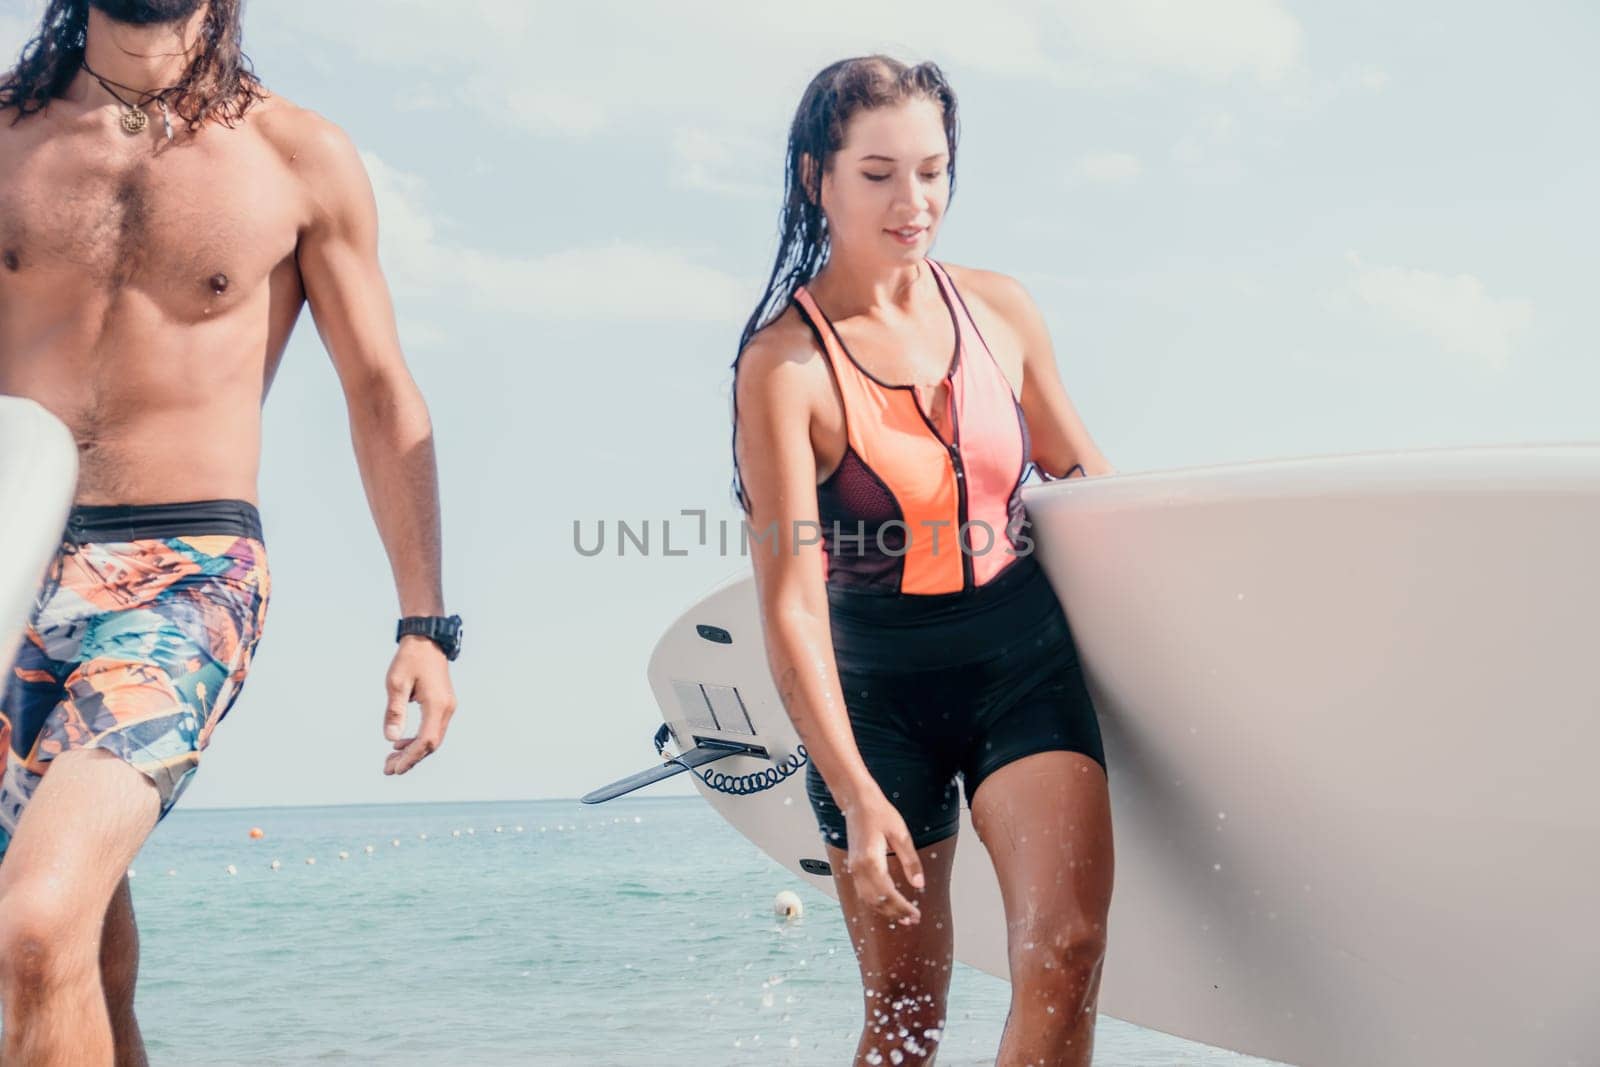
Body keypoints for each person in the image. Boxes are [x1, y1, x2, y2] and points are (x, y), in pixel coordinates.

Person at [0, 3, 461, 1063]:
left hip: (183, 577)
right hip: (8, 557)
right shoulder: (9, 136)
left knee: (33, 926)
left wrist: (426, 620)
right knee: (77, 949)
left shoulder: (294, 158)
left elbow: (381, 391)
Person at [731, 56, 1115, 1066]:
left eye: (933, 170)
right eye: (879, 173)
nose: (915, 201)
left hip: (1021, 662)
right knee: (908, 1014)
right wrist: (855, 795)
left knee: (1065, 951)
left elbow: (1080, 474)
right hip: (875, 702)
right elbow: (793, 605)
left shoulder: (999, 310)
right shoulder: (783, 368)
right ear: (817, 176)